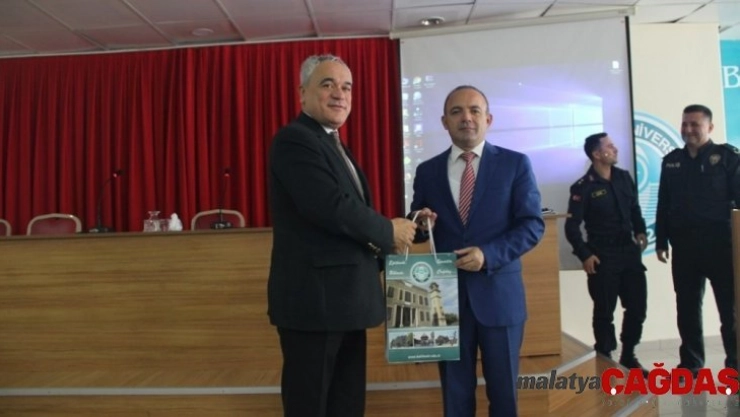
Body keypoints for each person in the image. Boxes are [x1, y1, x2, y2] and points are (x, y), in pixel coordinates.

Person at [267, 54, 417, 417]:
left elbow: (350, 215)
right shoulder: (294, 140)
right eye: (327, 84)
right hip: (314, 305)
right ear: (302, 93)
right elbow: (330, 206)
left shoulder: (332, 143)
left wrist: (407, 230)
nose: (340, 93)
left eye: (347, 87)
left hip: (347, 302)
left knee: (346, 406)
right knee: (311, 406)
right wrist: (388, 230)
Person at [409, 85, 544, 417]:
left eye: (474, 110)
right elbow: (418, 226)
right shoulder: (427, 171)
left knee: (504, 394)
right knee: (455, 395)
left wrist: (488, 255)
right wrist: (421, 223)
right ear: (444, 121)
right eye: (456, 112)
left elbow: (531, 225)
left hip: (500, 296)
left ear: (488, 119)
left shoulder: (515, 164)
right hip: (445, 300)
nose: (466, 118)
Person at [655, 104, 740, 376]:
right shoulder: (672, 161)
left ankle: (735, 365)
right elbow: (663, 202)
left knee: (730, 311)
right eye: (685, 124)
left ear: (710, 127)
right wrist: (660, 241)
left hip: (721, 247)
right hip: (685, 248)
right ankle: (690, 365)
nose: (688, 129)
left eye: (695, 124)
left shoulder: (727, 158)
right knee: (687, 309)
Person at [564, 132, 649, 375]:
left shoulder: (623, 177)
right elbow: (572, 227)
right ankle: (605, 357)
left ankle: (629, 355)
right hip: (603, 255)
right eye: (610, 146)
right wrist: (584, 255)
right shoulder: (583, 187)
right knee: (604, 311)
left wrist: (640, 230)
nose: (615, 149)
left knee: (637, 308)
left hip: (629, 253)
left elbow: (634, 209)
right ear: (597, 154)